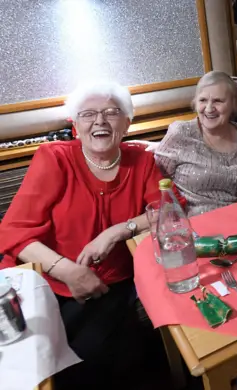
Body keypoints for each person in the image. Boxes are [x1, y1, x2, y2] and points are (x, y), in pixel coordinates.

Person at [0, 81, 168, 388]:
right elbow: (13, 231)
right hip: (44, 281)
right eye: (88, 114)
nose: (100, 121)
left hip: (111, 286)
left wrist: (117, 231)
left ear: (127, 123)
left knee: (101, 360)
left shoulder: (142, 161)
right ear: (76, 126)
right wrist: (68, 271)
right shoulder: (55, 158)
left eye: (111, 112)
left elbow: (168, 210)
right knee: (38, 366)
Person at [154, 71, 237, 217]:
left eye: (218, 101)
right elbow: (156, 181)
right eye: (203, 100)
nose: (209, 108)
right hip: (193, 225)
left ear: (234, 104)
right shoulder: (180, 133)